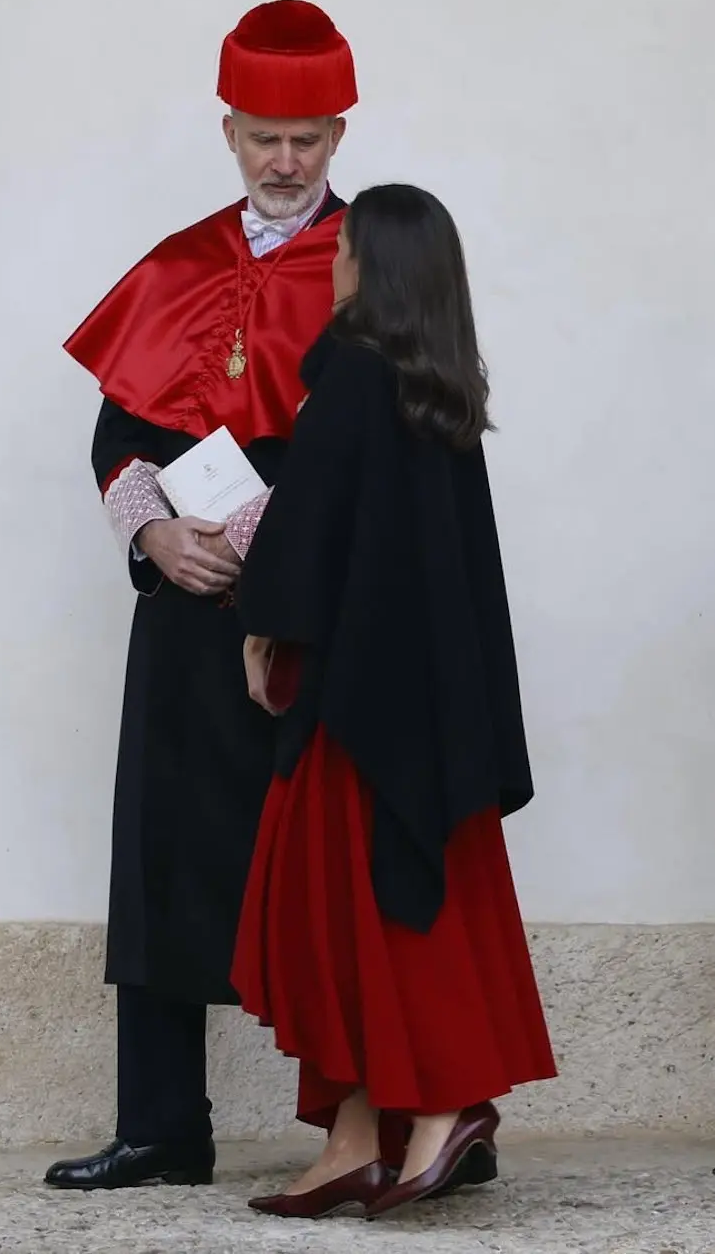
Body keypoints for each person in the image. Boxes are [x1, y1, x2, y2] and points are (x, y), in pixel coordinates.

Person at [45, 1, 359, 1191]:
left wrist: (272, 531)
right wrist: (158, 535)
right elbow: (118, 438)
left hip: (319, 606)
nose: (286, 162)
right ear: (228, 130)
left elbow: (386, 437)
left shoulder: (371, 267)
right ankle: (164, 1123)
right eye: (265, 138)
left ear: (340, 133)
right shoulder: (177, 263)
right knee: (165, 847)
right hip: (187, 608)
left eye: (309, 140)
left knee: (343, 854)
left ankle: (401, 1118)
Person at [230, 184, 557, 1220]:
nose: (330, 265)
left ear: (371, 267)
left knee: (326, 912)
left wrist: (263, 624)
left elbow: (311, 529)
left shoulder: (353, 379)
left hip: (359, 712)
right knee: (377, 909)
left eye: (344, 250)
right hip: (426, 710)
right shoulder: (437, 387)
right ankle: (357, 1136)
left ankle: (442, 1103)